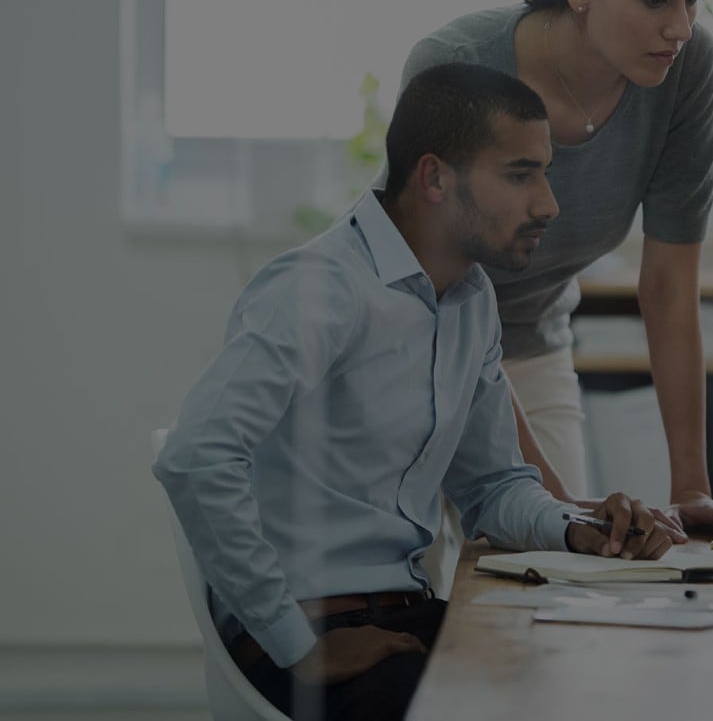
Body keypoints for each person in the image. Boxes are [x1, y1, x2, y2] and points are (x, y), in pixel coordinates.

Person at [154, 62, 670, 721]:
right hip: (310, 634)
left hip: (407, 619)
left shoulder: (471, 298)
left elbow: (492, 489)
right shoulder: (317, 289)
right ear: (434, 178)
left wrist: (580, 531)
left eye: (545, 172)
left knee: (604, 677)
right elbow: (196, 456)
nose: (548, 204)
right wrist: (293, 645)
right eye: (519, 174)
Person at [398, 0, 713, 533]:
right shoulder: (456, 67)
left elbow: (667, 285)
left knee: (550, 590)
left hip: (532, 346)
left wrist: (691, 486)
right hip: (415, 346)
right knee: (420, 601)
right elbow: (439, 295)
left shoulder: (685, 72)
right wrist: (547, 499)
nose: (681, 27)